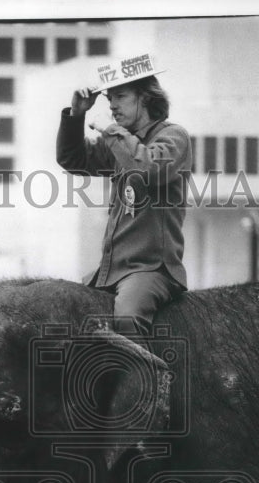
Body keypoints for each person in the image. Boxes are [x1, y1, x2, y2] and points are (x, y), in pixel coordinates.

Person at [56, 60, 192, 333]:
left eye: (121, 96)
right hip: (112, 271)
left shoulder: (174, 135)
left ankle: (150, 378)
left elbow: (148, 169)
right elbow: (72, 159)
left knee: (127, 321)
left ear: (145, 98)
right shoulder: (122, 143)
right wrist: (76, 114)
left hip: (151, 270)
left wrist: (110, 130)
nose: (112, 106)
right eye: (109, 99)